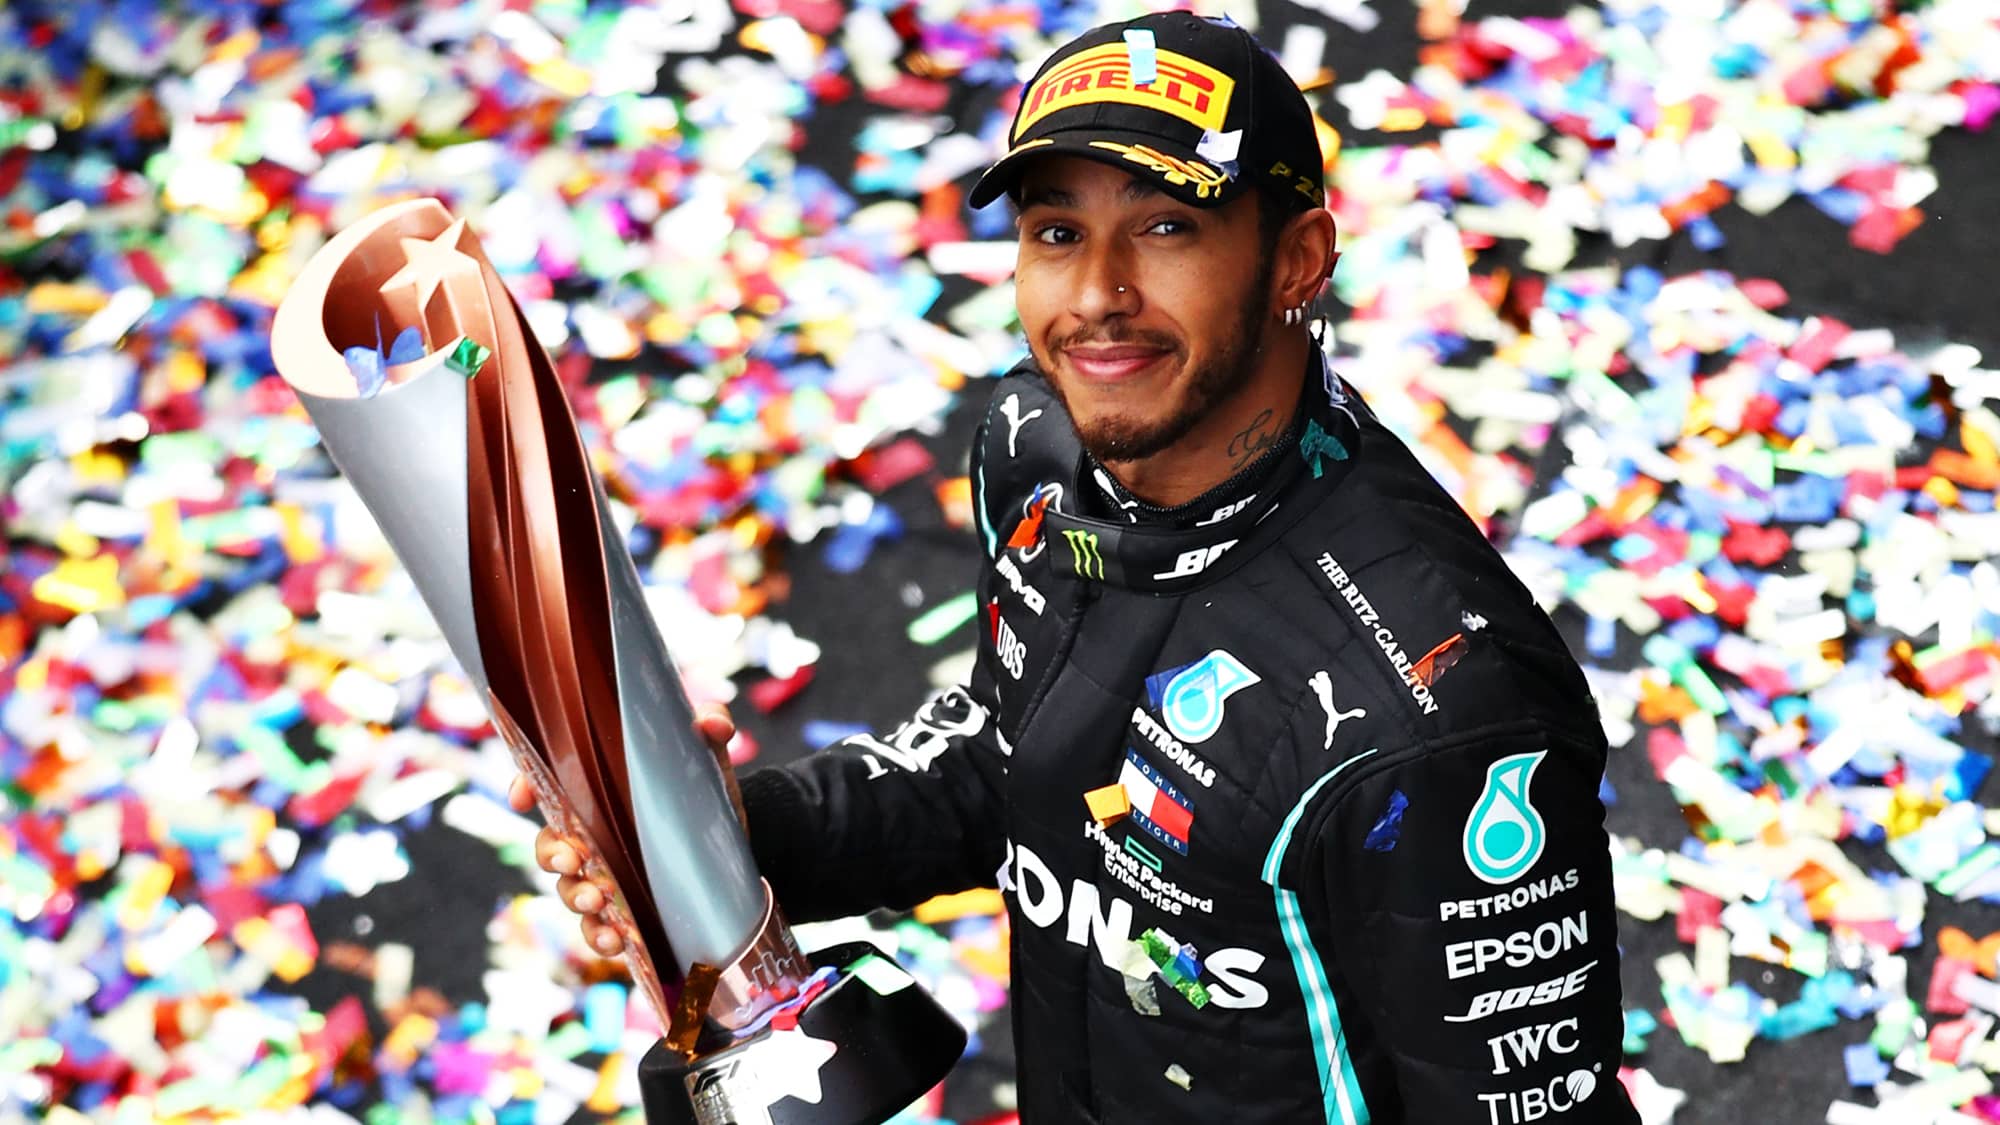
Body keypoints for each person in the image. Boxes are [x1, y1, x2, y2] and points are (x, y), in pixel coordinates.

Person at [512, 11, 1640, 1123]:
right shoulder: (1032, 447)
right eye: (1057, 233)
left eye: (1163, 229)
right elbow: (1015, 760)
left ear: (1297, 259)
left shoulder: (1442, 715)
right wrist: (717, 842)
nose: (1096, 295)